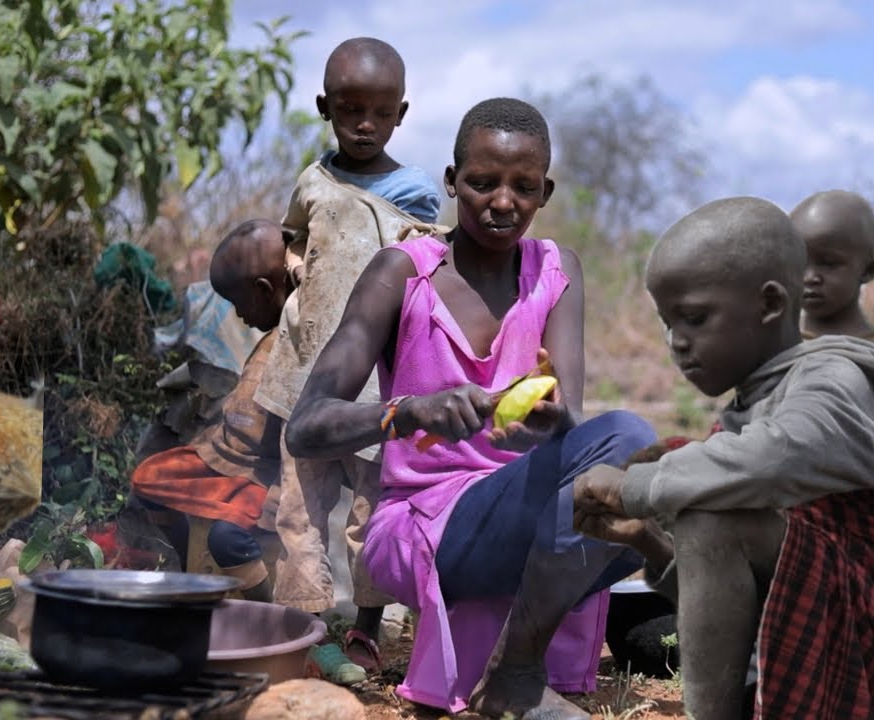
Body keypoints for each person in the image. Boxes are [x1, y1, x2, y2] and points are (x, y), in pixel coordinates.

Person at [285, 97, 657, 717]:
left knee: (631, 445)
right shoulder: (400, 274)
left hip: (523, 509)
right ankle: (515, 671)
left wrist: (551, 422)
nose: (503, 202)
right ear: (453, 182)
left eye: (524, 187)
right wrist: (407, 412)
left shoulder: (556, 271)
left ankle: (519, 657)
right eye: (483, 183)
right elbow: (307, 426)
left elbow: (573, 428)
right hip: (422, 524)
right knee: (620, 460)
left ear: (546, 191)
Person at [574, 196, 874, 718]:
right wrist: (647, 541)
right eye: (669, 324)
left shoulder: (831, 384)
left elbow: (765, 459)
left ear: (771, 305)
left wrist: (632, 486)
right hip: (838, 638)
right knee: (704, 517)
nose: (677, 343)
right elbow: (740, 588)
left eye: (694, 318)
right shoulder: (761, 399)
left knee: (708, 513)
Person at [252, 36, 443, 683]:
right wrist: (297, 267)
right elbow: (293, 240)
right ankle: (303, 626)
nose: (364, 123)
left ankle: (365, 625)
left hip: (375, 391)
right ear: (324, 107)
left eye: (379, 111)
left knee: (372, 513)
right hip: (308, 373)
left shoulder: (416, 195)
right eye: (349, 109)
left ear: (401, 114)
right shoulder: (313, 181)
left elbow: (430, 273)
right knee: (299, 509)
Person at [130, 219, 290, 602]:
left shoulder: (304, 336)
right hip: (225, 458)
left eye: (239, 304)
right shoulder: (272, 331)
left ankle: (267, 613)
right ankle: (189, 564)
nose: (238, 317)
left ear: (264, 290)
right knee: (148, 478)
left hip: (270, 474)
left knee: (227, 537)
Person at [791, 189, 874, 361]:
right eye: (799, 262)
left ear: (868, 271)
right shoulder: (771, 350)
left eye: (828, 263)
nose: (809, 277)